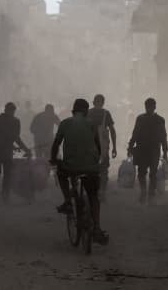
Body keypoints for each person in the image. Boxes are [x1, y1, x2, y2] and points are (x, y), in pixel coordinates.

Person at [51, 98, 108, 244]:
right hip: (91, 167)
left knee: (61, 172)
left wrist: (53, 160)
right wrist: (96, 162)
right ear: (86, 112)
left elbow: (56, 144)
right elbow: (98, 146)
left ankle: (68, 202)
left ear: (73, 110)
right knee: (94, 196)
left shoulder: (65, 123)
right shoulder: (92, 124)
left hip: (70, 166)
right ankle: (97, 228)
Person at [127, 98, 168, 204]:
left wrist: (130, 147)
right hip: (148, 150)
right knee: (148, 173)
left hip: (146, 150)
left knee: (146, 173)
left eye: (150, 106)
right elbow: (163, 137)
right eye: (148, 106)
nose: (149, 108)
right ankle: (147, 193)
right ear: (147, 107)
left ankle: (147, 193)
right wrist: (165, 152)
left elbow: (163, 136)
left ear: (154, 107)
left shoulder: (143, 119)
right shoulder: (158, 119)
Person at [0, 102, 31, 204]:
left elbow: (1, 135)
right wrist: (25, 149)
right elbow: (15, 137)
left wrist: (13, 146)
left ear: (5, 109)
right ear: (13, 111)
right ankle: (5, 196)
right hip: (6, 151)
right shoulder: (16, 121)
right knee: (7, 174)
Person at [88, 94, 117, 201]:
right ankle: (102, 192)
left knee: (90, 170)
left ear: (93, 102)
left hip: (89, 148)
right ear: (103, 103)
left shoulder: (88, 113)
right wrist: (114, 147)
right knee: (104, 170)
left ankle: (92, 192)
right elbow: (113, 131)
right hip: (103, 148)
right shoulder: (106, 113)